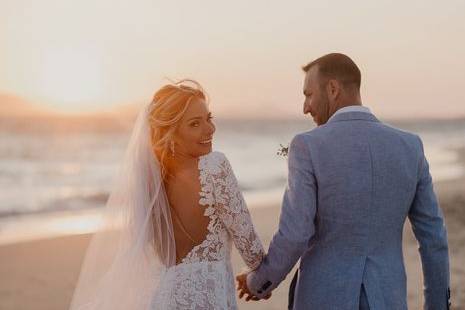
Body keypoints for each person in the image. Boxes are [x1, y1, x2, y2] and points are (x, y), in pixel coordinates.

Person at [237, 53, 451, 310]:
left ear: (333, 89)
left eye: (308, 94)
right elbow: (434, 238)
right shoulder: (410, 146)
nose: (305, 107)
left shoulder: (307, 146)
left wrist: (258, 282)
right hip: (388, 300)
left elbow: (295, 234)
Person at [69, 80, 265, 310]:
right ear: (170, 134)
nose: (209, 129)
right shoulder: (215, 167)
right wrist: (255, 279)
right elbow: (254, 254)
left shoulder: (151, 183)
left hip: (164, 299)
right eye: (195, 124)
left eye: (209, 119)